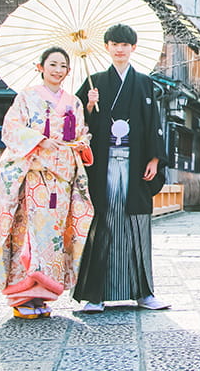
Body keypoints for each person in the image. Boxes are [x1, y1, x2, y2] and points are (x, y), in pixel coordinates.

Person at [0, 46, 94, 319]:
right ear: (40, 67)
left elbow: (83, 135)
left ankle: (41, 295)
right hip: (33, 174)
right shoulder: (26, 98)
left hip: (60, 179)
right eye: (53, 64)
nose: (58, 70)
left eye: (63, 66)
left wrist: (82, 141)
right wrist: (40, 142)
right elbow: (12, 129)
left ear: (69, 71)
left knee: (53, 236)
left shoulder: (73, 102)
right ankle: (20, 295)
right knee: (26, 233)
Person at [73, 23, 170, 312]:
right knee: (102, 223)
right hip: (103, 164)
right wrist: (88, 106)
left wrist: (154, 158)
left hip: (135, 162)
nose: (119, 49)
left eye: (125, 45)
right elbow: (76, 123)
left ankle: (144, 293)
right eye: (114, 44)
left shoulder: (144, 82)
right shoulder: (95, 82)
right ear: (106, 47)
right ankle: (95, 295)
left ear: (133, 49)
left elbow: (154, 122)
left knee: (136, 225)